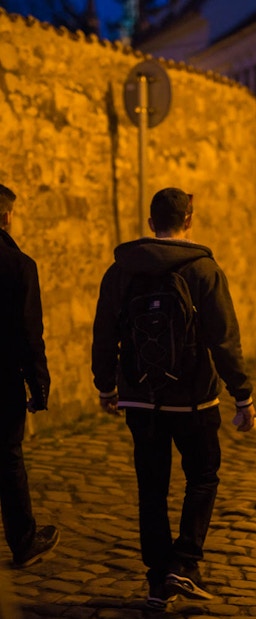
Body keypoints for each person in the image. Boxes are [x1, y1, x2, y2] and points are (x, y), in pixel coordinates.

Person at [92, 187, 256, 609]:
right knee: (202, 476)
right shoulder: (203, 270)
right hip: (194, 400)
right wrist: (242, 395)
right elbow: (224, 338)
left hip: (140, 397)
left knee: (152, 487)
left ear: (150, 223)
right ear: (189, 220)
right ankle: (184, 565)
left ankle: (155, 579)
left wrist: (107, 386)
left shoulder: (121, 270)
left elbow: (104, 332)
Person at [0, 184, 59, 568]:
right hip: (1, 378)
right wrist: (39, 386)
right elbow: (28, 333)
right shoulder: (18, 265)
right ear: (6, 216)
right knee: (7, 456)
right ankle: (23, 541)